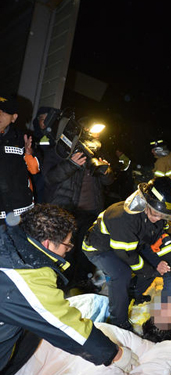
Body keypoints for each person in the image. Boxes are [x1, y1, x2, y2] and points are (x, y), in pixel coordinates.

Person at [0, 203, 140, 375]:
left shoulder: (9, 241)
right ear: (48, 244)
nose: (68, 250)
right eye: (67, 244)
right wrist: (115, 354)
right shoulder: (24, 279)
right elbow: (65, 326)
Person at [82, 177, 171, 329]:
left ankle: (134, 294)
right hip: (100, 248)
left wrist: (160, 262)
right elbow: (126, 255)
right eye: (155, 214)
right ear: (146, 202)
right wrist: (151, 268)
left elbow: (149, 240)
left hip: (129, 245)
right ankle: (119, 321)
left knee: (153, 268)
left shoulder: (154, 215)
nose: (158, 219)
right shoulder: (123, 218)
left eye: (162, 216)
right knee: (122, 274)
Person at [42, 116, 115, 289]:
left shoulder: (99, 152)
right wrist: (71, 164)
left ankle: (81, 284)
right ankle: (60, 286)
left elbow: (109, 181)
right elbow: (49, 177)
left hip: (91, 212)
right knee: (65, 251)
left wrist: (106, 172)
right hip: (67, 211)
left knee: (86, 252)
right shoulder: (61, 150)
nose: (96, 136)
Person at [0, 93, 39, 225]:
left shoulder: (22, 138)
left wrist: (29, 154)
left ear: (14, 117)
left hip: (19, 210)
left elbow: (34, 170)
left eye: (5, 112)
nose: (0, 114)